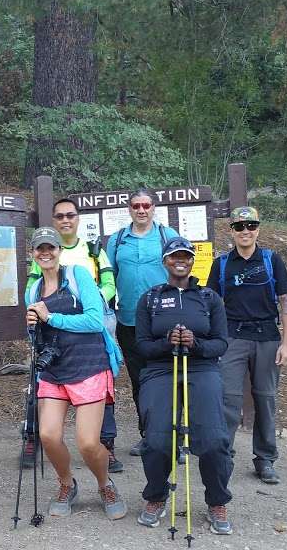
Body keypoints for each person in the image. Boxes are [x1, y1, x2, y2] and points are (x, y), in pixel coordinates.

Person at [25, 226, 127, 520]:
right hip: (55, 370)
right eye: (40, 249)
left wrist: (51, 317)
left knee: (87, 442)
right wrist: (33, 326)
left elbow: (96, 320)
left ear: (59, 250)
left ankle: (105, 484)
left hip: (88, 365)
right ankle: (66, 484)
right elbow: (38, 334)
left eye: (51, 248)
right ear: (33, 254)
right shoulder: (33, 289)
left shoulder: (77, 275)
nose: (45, 253)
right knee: (48, 434)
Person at [135, 236, 232, 534]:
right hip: (161, 369)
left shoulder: (209, 298)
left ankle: (217, 501)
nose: (181, 260)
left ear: (192, 261)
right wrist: (167, 342)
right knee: (156, 438)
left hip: (201, 366)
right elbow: (142, 346)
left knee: (214, 438)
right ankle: (156, 496)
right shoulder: (150, 298)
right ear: (165, 261)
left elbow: (221, 343)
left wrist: (196, 342)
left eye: (186, 256)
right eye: (175, 256)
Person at [206, 206, 287, 485]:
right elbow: (210, 303)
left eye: (251, 225)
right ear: (231, 230)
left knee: (265, 399)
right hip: (232, 337)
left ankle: (265, 458)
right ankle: (224, 455)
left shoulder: (271, 260)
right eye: (239, 227)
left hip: (267, 337)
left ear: (258, 228)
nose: (246, 231)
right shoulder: (221, 264)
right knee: (228, 399)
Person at [106, 189, 179, 456]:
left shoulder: (167, 236)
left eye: (146, 205)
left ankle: (176, 440)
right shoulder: (117, 240)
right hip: (129, 321)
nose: (141, 210)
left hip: (164, 321)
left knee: (171, 380)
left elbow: (182, 271)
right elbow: (109, 278)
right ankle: (148, 436)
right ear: (129, 209)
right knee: (140, 381)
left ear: (153, 207)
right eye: (136, 205)